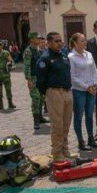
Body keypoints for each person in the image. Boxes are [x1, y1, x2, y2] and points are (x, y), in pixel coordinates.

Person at [36, 32, 73, 161]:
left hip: (67, 92)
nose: (60, 43)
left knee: (66, 124)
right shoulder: (45, 58)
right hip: (54, 93)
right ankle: (57, 154)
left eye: (60, 41)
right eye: (56, 41)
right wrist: (49, 93)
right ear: (49, 43)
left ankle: (65, 150)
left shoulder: (63, 55)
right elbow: (40, 81)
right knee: (57, 125)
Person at [69, 33, 97, 151]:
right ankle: (81, 141)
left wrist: (95, 83)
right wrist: (86, 87)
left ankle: (91, 138)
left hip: (92, 89)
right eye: (82, 41)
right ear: (75, 43)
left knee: (90, 115)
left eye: (85, 40)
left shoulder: (89, 54)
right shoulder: (71, 57)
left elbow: (95, 70)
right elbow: (72, 77)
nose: (85, 42)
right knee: (78, 116)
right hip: (79, 91)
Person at [23, 32, 48, 130]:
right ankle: (36, 121)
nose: (39, 40)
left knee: (42, 98)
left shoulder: (37, 50)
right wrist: (28, 80)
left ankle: (41, 117)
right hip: (33, 78)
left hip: (40, 78)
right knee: (36, 99)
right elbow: (27, 66)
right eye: (37, 38)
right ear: (32, 39)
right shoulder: (28, 51)